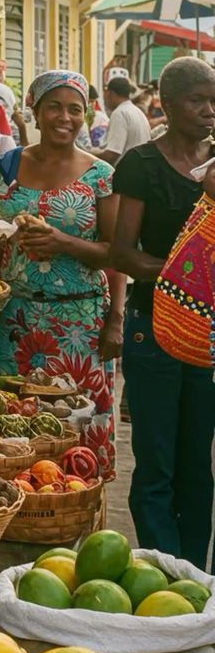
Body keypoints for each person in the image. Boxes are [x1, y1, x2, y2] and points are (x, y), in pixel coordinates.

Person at [0, 70, 123, 479]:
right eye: (54, 106)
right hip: (17, 320)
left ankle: (78, 512)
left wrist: (116, 321)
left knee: (76, 427)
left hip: (80, 324)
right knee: (16, 425)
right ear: (35, 111)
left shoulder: (101, 176)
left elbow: (114, 253)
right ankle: (24, 516)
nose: (65, 117)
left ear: (85, 117)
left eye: (75, 109)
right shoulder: (6, 167)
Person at [110, 55, 215, 567]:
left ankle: (196, 579)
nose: (209, 111)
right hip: (151, 329)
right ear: (167, 105)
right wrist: (185, 276)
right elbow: (122, 253)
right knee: (156, 463)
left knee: (198, 463)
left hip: (206, 336)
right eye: (198, 100)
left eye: (214, 100)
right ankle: (164, 573)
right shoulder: (141, 166)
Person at [99, 76, 151, 165]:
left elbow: (112, 155)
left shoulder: (120, 113)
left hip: (126, 173)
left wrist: (86, 155)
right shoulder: (137, 112)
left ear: (110, 93)